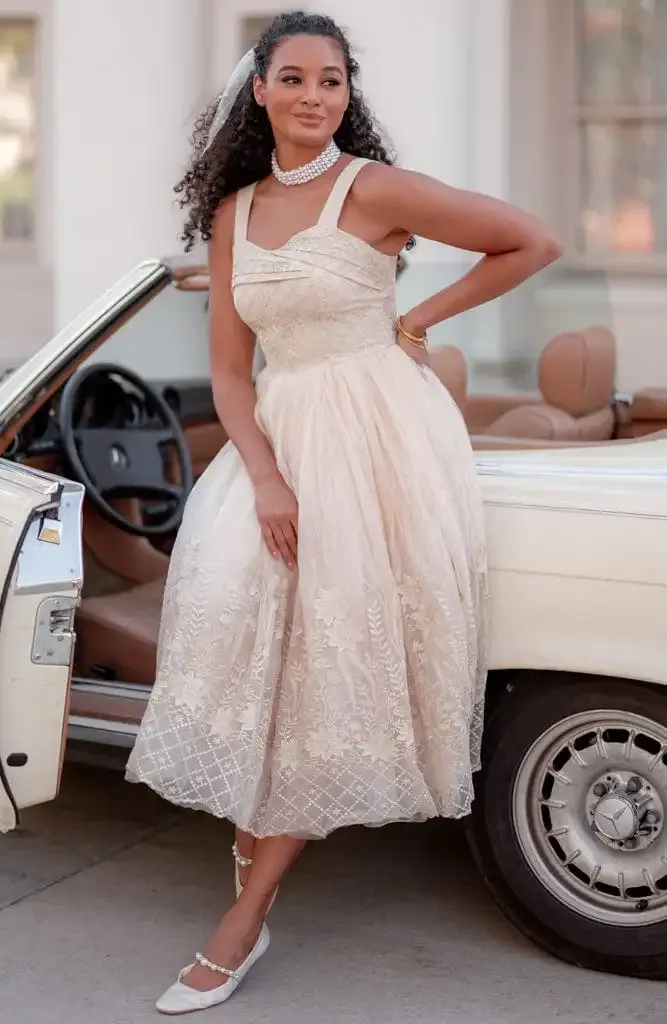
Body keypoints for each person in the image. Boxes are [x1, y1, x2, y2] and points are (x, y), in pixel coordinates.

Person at [126, 10, 561, 1014]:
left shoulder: (373, 189)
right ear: (260, 91)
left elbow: (529, 241)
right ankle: (253, 860)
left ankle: (244, 917)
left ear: (346, 93)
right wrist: (266, 478)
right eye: (293, 78)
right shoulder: (233, 213)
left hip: (375, 443)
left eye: (331, 80)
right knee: (243, 644)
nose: (313, 96)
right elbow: (229, 373)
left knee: (325, 668)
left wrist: (416, 317)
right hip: (276, 442)